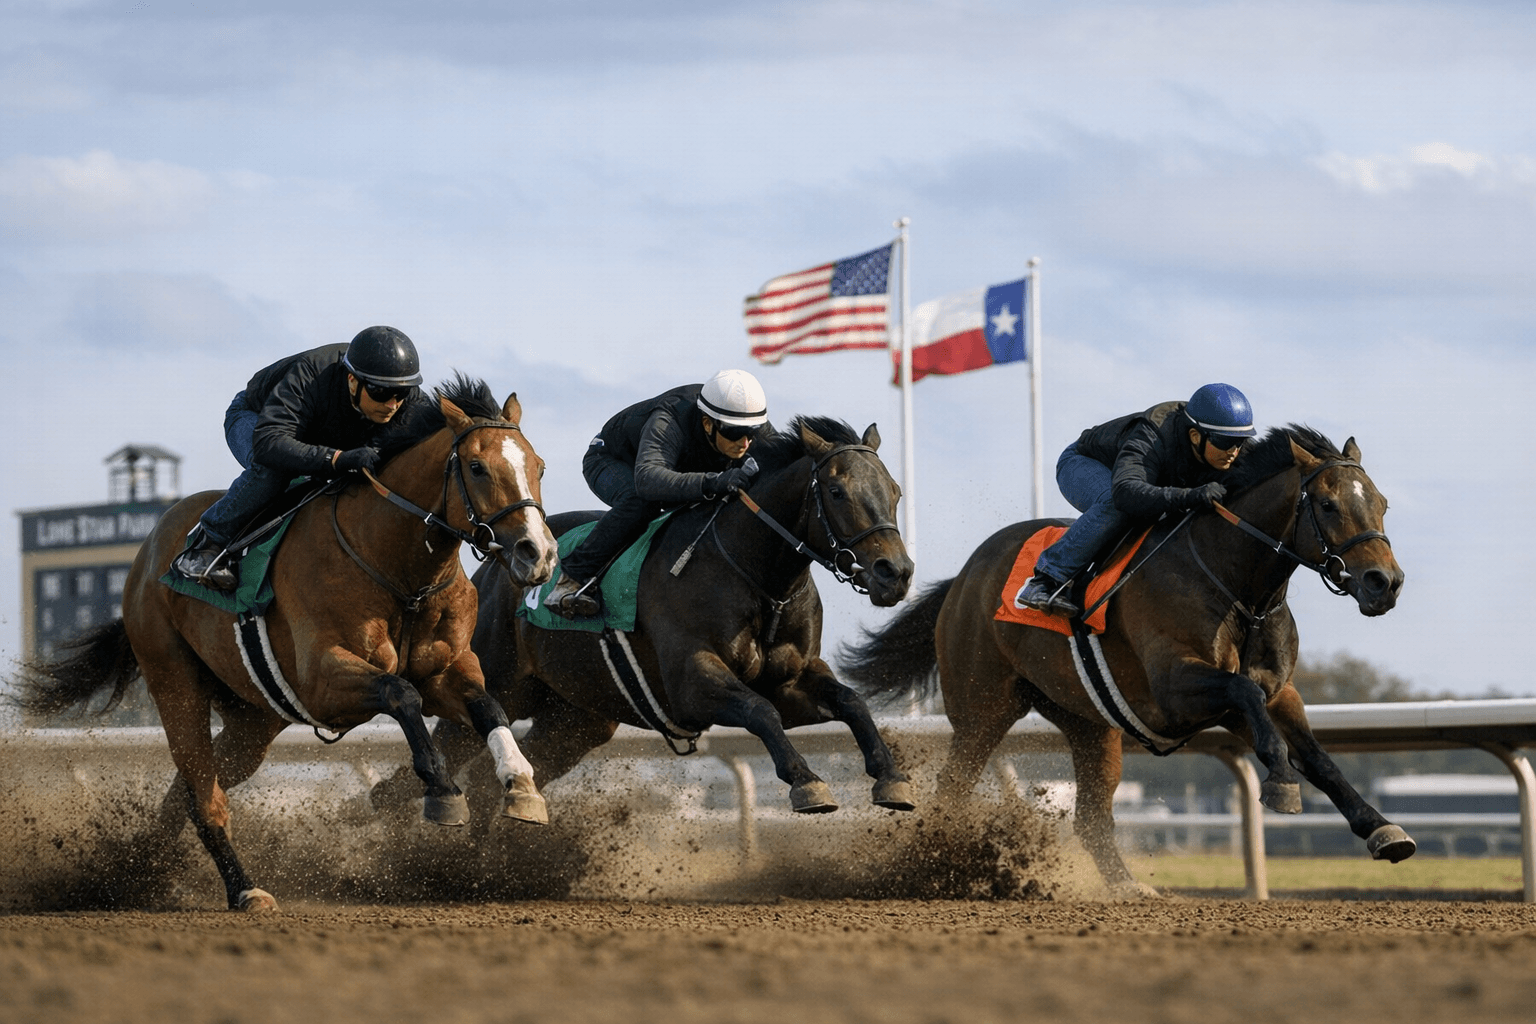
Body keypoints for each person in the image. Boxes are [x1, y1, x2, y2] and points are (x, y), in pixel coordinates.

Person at [171, 325, 429, 590]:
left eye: (402, 394)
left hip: (319, 432)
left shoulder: (406, 396)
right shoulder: (311, 373)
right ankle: (208, 543)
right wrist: (337, 459)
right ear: (352, 380)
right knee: (274, 470)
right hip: (257, 420)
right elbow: (270, 444)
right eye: (381, 392)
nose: (393, 404)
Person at [543, 368, 771, 618]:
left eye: (752, 432)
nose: (746, 442)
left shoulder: (744, 418)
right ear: (708, 423)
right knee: (641, 503)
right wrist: (712, 482)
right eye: (735, 433)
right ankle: (572, 577)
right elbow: (648, 480)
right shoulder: (668, 420)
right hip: (612, 461)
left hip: (673, 468)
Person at [1018, 382, 1257, 617]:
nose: (1234, 451)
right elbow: (1127, 493)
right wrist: (1190, 496)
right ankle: (1046, 579)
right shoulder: (1152, 434)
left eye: (1240, 441)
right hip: (1083, 464)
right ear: (1195, 435)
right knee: (1116, 505)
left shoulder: (1230, 441)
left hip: (1143, 480)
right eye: (1225, 443)